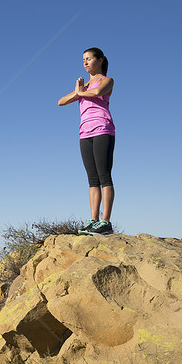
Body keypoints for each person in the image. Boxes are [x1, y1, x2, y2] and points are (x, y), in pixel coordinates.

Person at [58, 47, 115, 235]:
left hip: (102, 130)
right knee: (92, 180)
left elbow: (97, 91)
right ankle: (93, 220)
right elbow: (61, 101)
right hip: (85, 134)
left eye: (89, 59)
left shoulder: (106, 80)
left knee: (104, 176)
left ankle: (105, 222)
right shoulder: (83, 88)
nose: (85, 63)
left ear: (99, 60)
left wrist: (80, 92)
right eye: (83, 60)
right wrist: (78, 92)